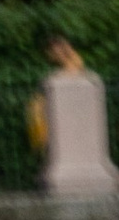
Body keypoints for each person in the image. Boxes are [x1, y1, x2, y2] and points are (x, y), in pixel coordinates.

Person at [27, 30, 88, 165]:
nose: (50, 55)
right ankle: (42, 143)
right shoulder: (69, 60)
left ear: (59, 49)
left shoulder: (74, 59)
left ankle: (42, 144)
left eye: (52, 51)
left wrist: (50, 78)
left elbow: (72, 73)